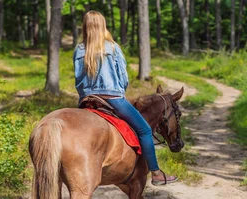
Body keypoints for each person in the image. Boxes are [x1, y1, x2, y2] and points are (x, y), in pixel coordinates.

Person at [73, 11, 177, 185]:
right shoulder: (112, 47)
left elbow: (78, 79)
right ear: (103, 26)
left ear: (85, 26)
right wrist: (119, 91)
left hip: (87, 100)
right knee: (144, 130)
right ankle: (156, 173)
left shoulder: (79, 49)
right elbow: (123, 78)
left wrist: (85, 95)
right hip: (112, 98)